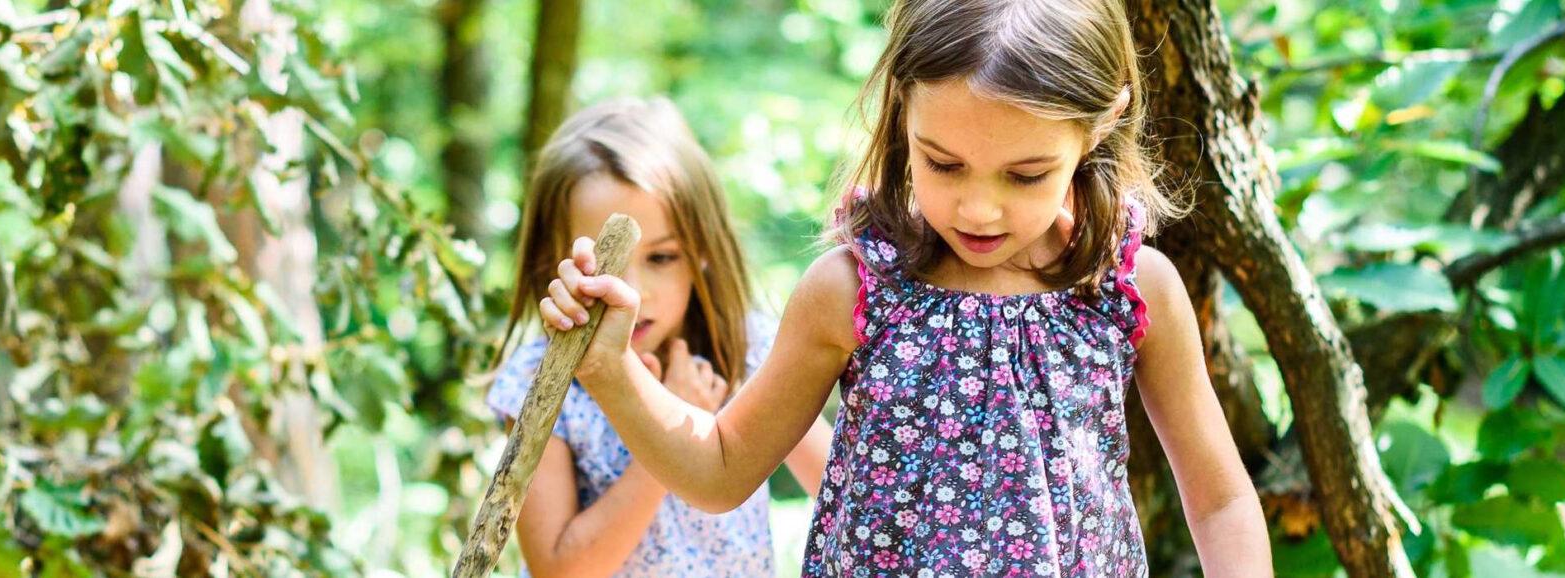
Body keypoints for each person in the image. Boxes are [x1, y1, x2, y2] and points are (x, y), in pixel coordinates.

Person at [535, 1, 1274, 574]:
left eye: (1026, 175)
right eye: (943, 163)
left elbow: (1221, 499)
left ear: (1101, 122)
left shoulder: (1129, 290)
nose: (979, 209)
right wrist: (613, 369)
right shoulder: (853, 290)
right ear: (901, 107)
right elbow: (722, 468)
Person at [488, 97, 833, 577]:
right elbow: (559, 570)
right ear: (554, 260)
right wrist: (672, 428)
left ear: (703, 251)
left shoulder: (744, 346)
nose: (633, 290)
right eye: (605, 260)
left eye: (662, 257)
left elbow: (843, 487)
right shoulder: (540, 378)